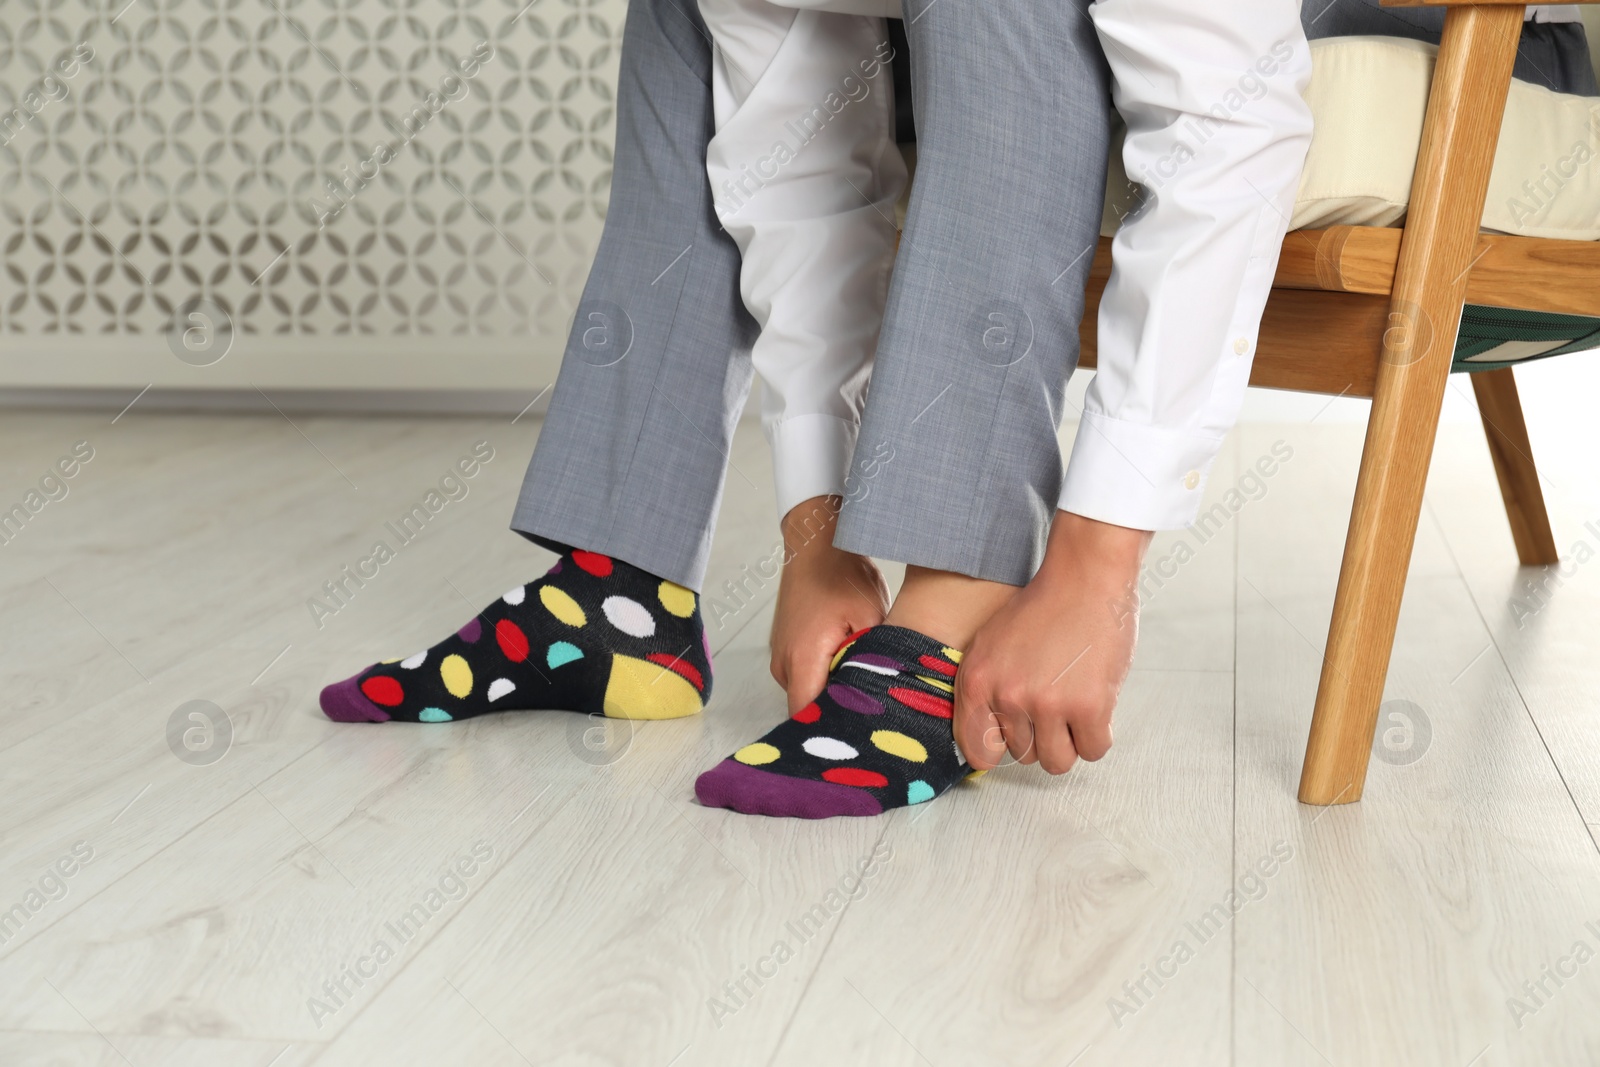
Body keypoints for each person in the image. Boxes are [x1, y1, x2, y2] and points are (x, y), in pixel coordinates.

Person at [320, 0, 1593, 818]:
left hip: (1417, 28)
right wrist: (817, 536)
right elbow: (797, 174)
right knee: (682, 19)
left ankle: (954, 596)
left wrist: (1093, 570)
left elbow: (1225, 138)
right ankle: (621, 592)